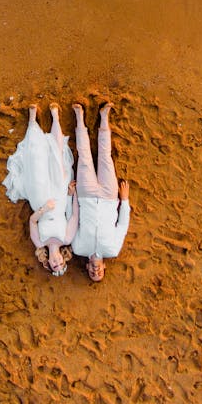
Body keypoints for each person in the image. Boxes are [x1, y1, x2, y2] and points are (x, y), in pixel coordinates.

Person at [3, 104, 79, 277]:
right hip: (59, 198)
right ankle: (55, 116)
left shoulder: (39, 242)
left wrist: (44, 209)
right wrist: (70, 194)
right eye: (60, 263)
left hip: (41, 203)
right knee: (57, 160)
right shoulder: (67, 239)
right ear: (63, 258)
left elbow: (32, 221)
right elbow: (73, 215)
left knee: (37, 165)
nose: (57, 262)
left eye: (55, 265)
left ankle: (32, 121)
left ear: (49, 265)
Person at [71, 101, 130, 281]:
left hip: (86, 195)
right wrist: (125, 200)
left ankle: (79, 118)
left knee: (85, 156)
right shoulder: (112, 250)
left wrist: (71, 196)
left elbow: (72, 219)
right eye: (99, 273)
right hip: (109, 197)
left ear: (87, 266)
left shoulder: (78, 248)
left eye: (92, 273)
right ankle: (104, 117)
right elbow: (122, 225)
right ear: (104, 266)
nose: (95, 271)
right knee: (105, 156)